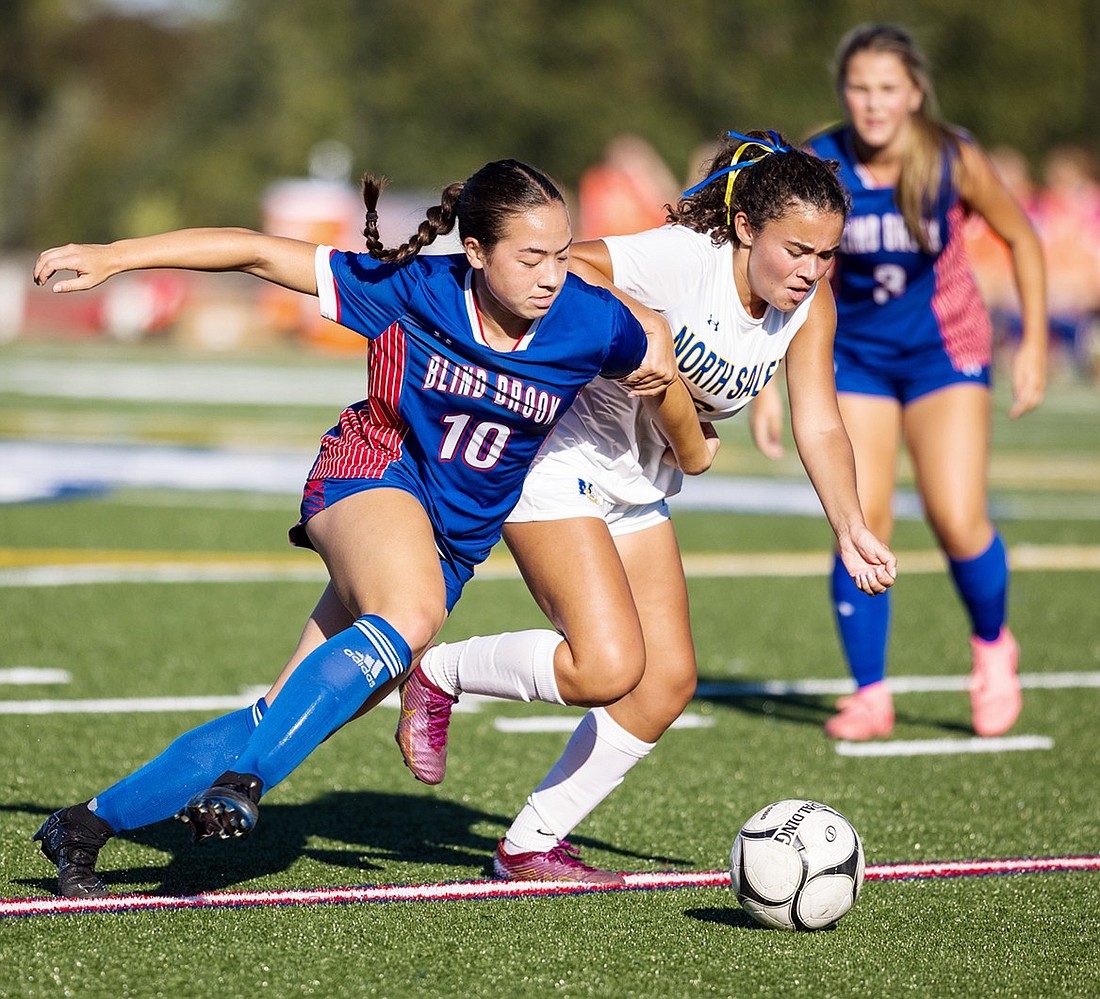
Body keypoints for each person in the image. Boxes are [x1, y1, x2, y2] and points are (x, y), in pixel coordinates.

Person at [30, 158, 680, 899]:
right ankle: (248, 784)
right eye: (531, 257)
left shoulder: (590, 321)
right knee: (409, 615)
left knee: (279, 717)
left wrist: (690, 436)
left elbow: (659, 366)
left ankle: (81, 826)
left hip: (454, 541)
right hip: (370, 476)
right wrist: (117, 256)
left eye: (563, 254)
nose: (552, 274)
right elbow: (254, 250)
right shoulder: (414, 289)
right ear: (475, 252)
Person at [393, 130, 898, 883]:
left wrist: (851, 523)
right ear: (748, 228)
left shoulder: (809, 306)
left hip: (638, 480)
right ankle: (438, 672)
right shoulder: (682, 259)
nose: (811, 270)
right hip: (554, 457)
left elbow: (819, 421)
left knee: (664, 683)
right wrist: (646, 323)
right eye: (797, 250)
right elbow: (576, 266)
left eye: (826, 255)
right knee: (604, 665)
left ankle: (529, 844)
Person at [751, 25, 1049, 741]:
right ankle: (869, 692)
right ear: (843, 92)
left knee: (955, 515)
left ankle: (992, 649)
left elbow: (1024, 238)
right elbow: (769, 262)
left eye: (888, 88)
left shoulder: (951, 156)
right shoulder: (819, 159)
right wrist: (765, 379)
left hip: (945, 351)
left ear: (914, 93)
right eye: (859, 87)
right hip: (852, 354)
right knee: (861, 516)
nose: (873, 103)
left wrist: (1035, 342)